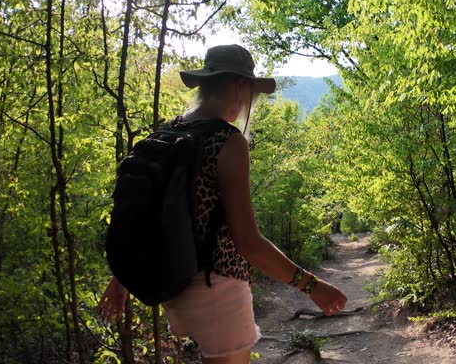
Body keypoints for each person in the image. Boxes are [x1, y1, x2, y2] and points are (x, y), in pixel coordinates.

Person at [98, 44, 348, 364]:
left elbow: (153, 213)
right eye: (251, 93)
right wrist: (312, 286)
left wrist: (122, 278)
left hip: (173, 282)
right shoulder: (227, 141)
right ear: (239, 85)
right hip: (217, 286)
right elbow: (248, 242)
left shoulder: (168, 133)